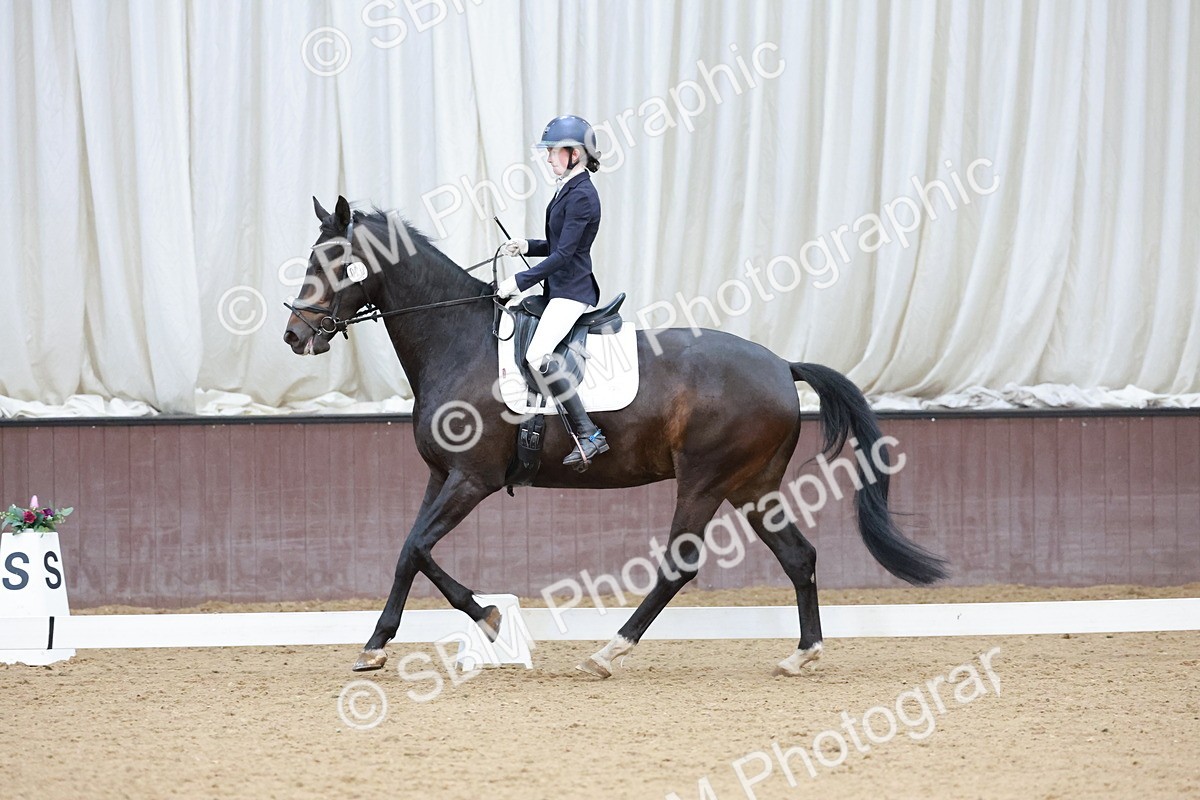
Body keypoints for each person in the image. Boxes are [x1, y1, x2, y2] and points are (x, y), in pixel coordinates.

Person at [496, 114, 609, 470]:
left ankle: (589, 433)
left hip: (573, 291)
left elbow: (564, 256)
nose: (547, 158)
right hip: (559, 287)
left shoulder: (583, 195)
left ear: (575, 153)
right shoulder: (569, 188)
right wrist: (526, 245)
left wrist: (518, 281)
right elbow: (558, 245)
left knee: (536, 354)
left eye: (553, 151)